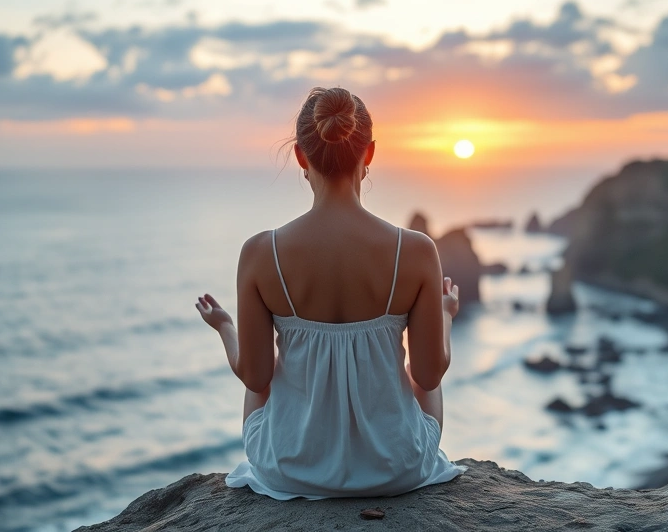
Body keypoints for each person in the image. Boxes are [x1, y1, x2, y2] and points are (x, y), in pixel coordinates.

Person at [195, 86, 466, 499]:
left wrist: (225, 327)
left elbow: (256, 376)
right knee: (424, 375)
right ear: (369, 153)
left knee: (259, 368)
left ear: (301, 157)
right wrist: (444, 314)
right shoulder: (415, 251)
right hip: (396, 467)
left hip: (289, 468)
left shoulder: (259, 253)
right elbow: (429, 376)